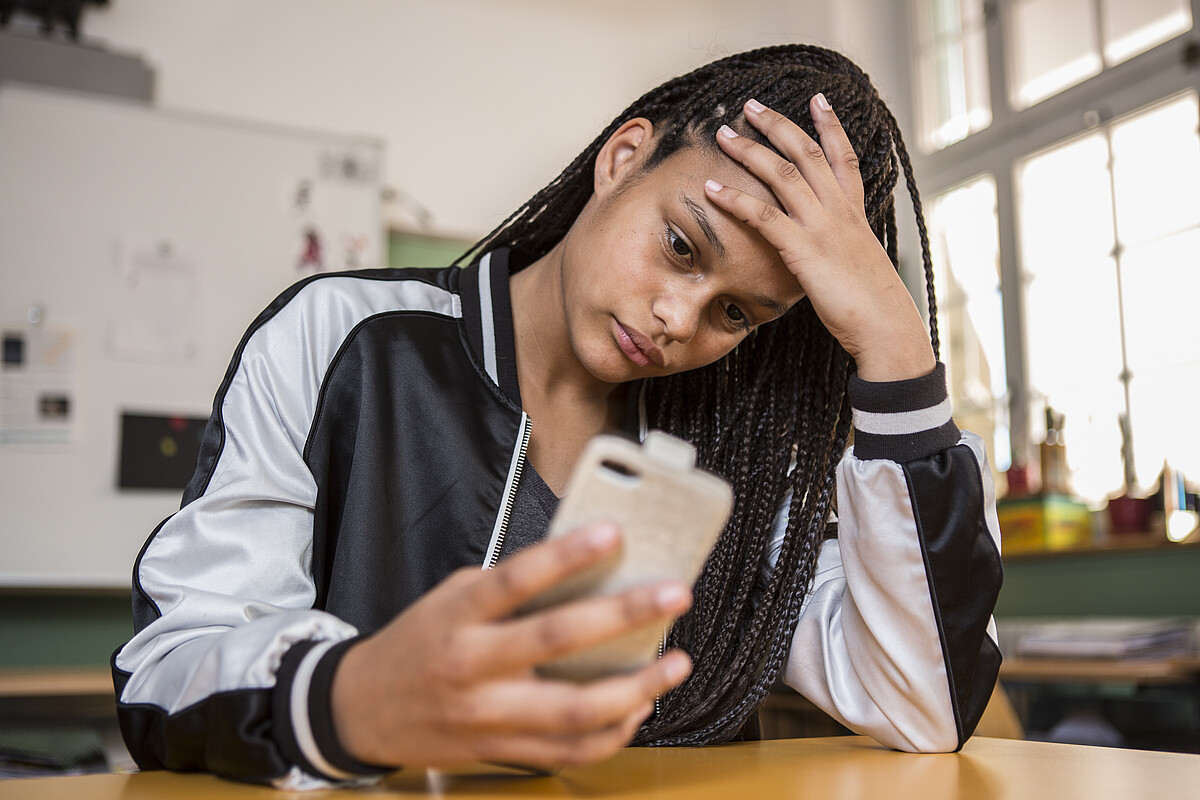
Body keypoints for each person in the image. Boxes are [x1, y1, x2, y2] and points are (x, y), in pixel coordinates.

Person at [111, 44, 1003, 789]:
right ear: (623, 158)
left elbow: (918, 703)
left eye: (737, 313)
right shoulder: (344, 338)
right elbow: (169, 668)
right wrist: (350, 698)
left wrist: (896, 350)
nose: (679, 319)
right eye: (682, 246)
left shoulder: (744, 454)